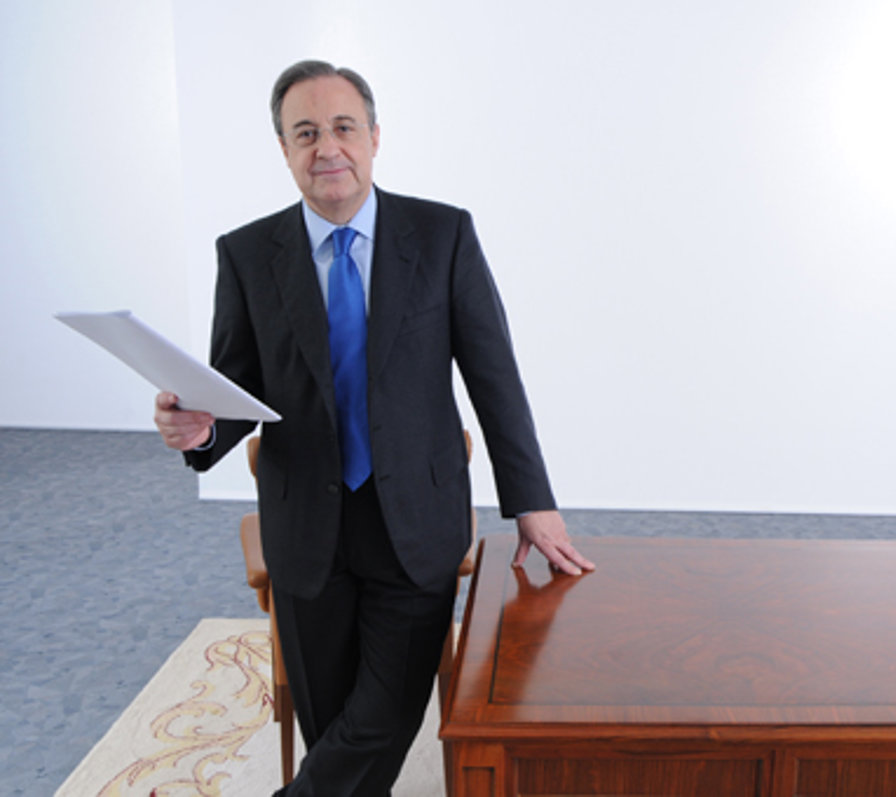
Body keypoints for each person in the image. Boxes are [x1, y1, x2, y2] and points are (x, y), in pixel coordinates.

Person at [154, 59, 593, 796]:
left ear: (374, 137)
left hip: (414, 520)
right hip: (305, 525)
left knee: (384, 713)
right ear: (284, 149)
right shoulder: (248, 253)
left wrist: (532, 501)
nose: (327, 147)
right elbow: (235, 389)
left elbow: (494, 378)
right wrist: (199, 430)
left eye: (343, 127)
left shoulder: (443, 234)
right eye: (305, 133)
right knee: (332, 726)